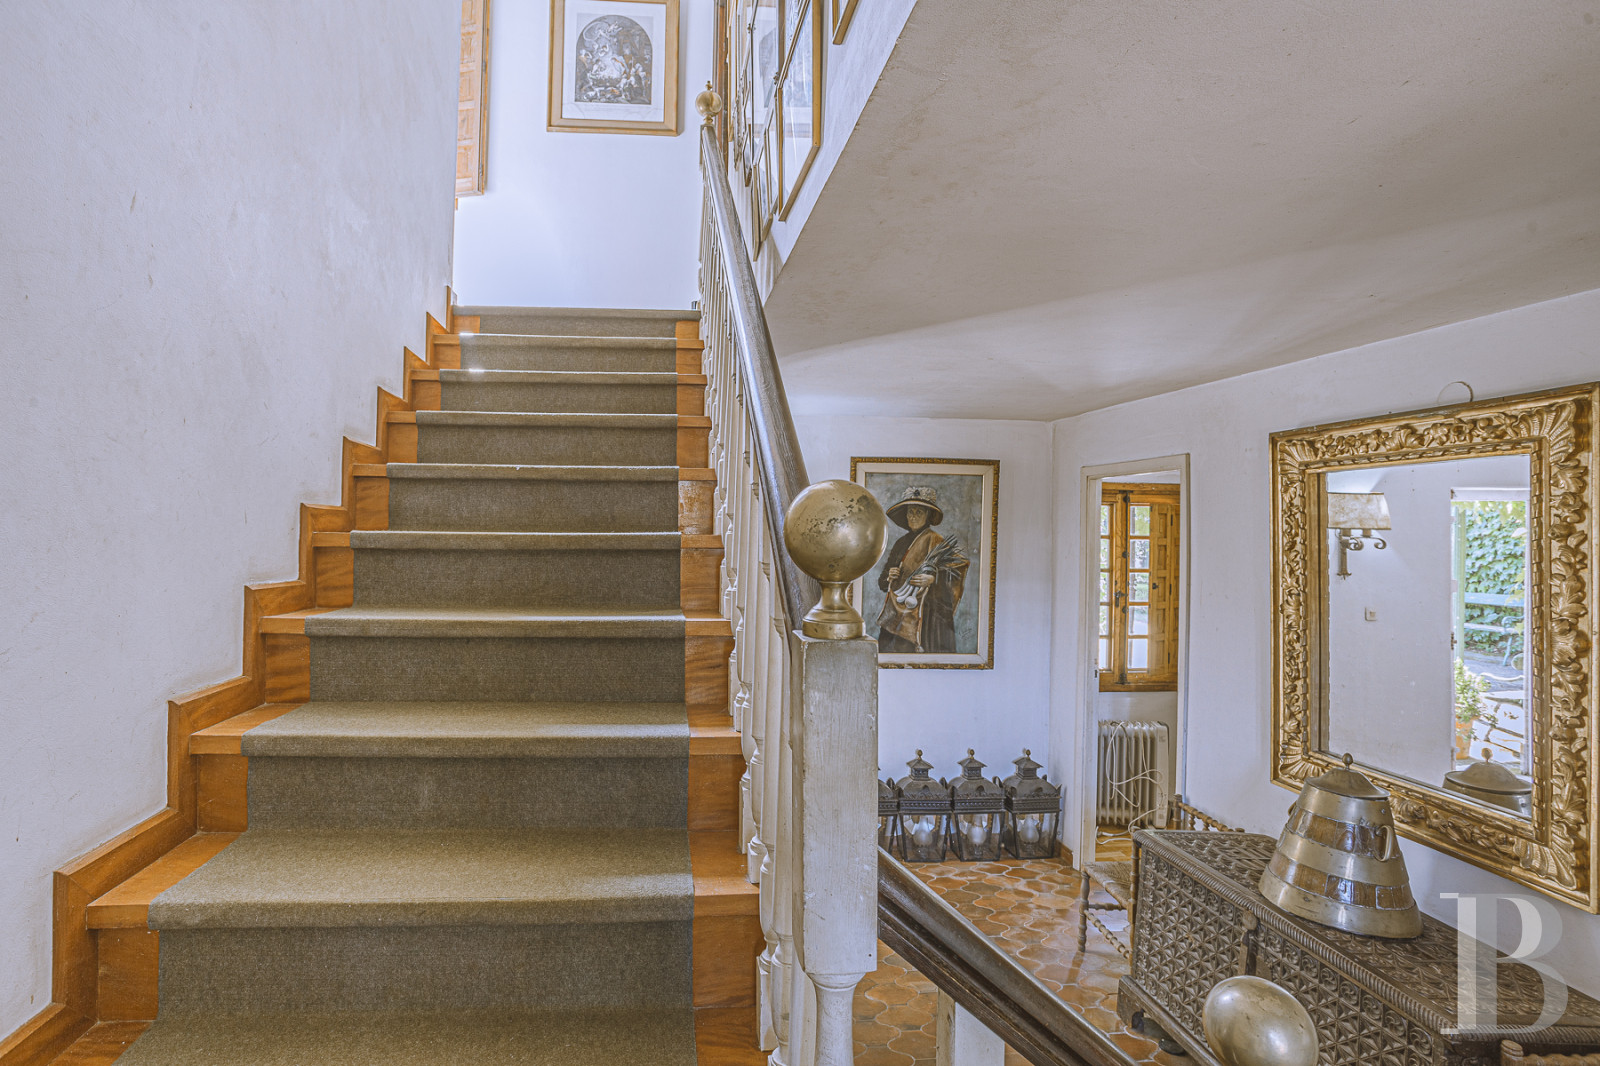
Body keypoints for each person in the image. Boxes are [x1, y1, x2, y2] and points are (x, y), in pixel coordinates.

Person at [875, 486, 969, 654]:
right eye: (910, 512)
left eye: (919, 512)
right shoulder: (900, 543)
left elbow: (957, 570)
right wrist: (889, 576)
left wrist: (933, 579)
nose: (913, 516)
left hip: (927, 617)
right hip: (896, 615)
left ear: (928, 515)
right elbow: (882, 583)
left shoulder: (937, 541)